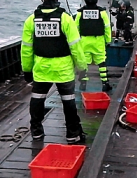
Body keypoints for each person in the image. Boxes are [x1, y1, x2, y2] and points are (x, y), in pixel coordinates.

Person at [20, 0, 87, 144]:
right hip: (63, 70)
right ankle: (72, 134)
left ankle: (36, 131)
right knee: (68, 102)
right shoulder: (66, 18)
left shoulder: (31, 20)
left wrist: (27, 70)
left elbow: (26, 49)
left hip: (41, 68)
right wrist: (82, 68)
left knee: (37, 99)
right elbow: (76, 47)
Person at [75, 0, 112, 92]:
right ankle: (105, 83)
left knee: (85, 63)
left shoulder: (80, 13)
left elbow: (76, 28)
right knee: (101, 62)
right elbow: (107, 27)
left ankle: (83, 83)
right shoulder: (102, 12)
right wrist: (108, 40)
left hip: (84, 41)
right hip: (98, 40)